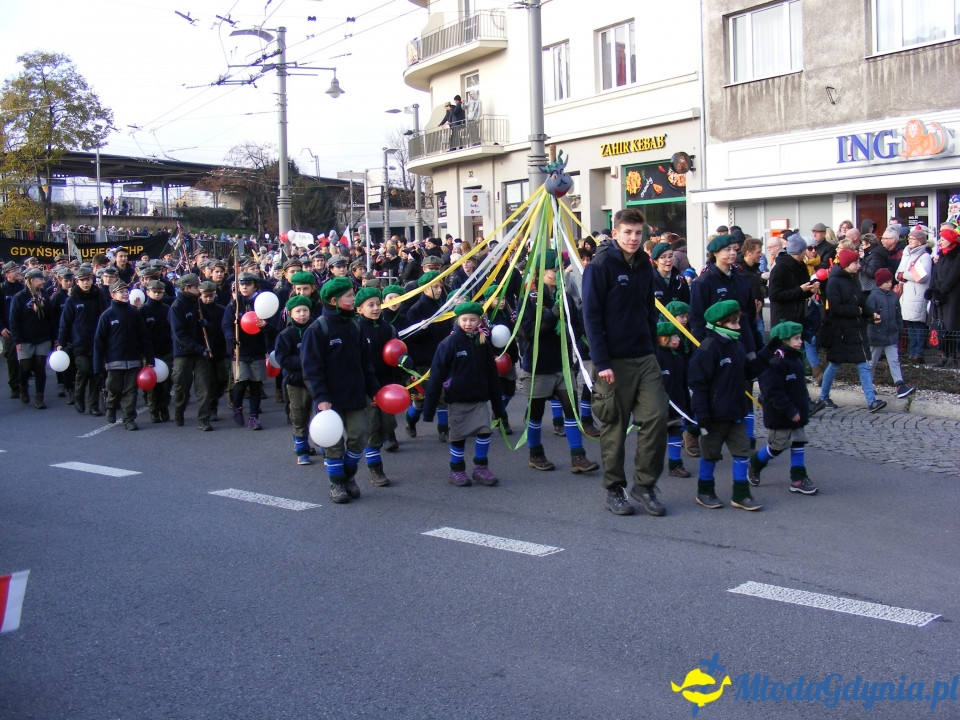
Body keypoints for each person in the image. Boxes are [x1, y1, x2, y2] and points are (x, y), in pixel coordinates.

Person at [581, 207, 668, 517]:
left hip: (644, 356)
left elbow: (649, 309)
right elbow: (590, 316)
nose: (633, 238)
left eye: (637, 233)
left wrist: (652, 347)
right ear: (615, 233)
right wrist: (601, 361)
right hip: (612, 361)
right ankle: (614, 489)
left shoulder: (645, 265)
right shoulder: (601, 265)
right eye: (627, 232)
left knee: (657, 417)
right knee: (615, 427)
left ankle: (644, 486)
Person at [688, 299, 776, 511]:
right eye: (734, 324)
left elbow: (749, 371)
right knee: (710, 455)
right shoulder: (707, 349)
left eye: (738, 322)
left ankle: (741, 493)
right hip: (713, 417)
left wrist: (769, 349)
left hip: (736, 412)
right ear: (719, 323)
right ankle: (705, 491)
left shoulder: (737, 346)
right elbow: (697, 385)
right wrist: (702, 415)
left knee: (742, 454)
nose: (738, 327)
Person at [519, 250, 600, 476]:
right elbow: (527, 331)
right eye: (553, 270)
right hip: (538, 364)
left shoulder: (564, 294)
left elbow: (575, 324)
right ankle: (535, 453)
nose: (558, 273)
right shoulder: (530, 296)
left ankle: (578, 456)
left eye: (559, 269)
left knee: (570, 410)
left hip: (562, 362)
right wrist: (552, 314)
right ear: (540, 272)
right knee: (535, 413)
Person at [301, 277, 380, 504]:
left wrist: (374, 389)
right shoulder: (318, 329)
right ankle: (337, 483)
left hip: (354, 394)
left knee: (360, 435)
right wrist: (321, 398)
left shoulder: (355, 325)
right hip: (330, 399)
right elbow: (312, 368)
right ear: (334, 300)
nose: (353, 299)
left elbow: (366, 363)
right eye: (349, 296)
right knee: (333, 443)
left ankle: (347, 475)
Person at [422, 301, 505, 487]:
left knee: (484, 433)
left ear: (479, 321)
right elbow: (436, 376)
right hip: (458, 400)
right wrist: (429, 410)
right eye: (464, 319)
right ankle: (457, 470)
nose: (468, 323)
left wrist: (499, 408)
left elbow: (492, 375)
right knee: (458, 437)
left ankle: (480, 468)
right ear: (457, 319)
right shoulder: (449, 343)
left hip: (479, 399)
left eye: (473, 319)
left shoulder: (482, 343)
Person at [746, 321, 818, 495]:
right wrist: (789, 410)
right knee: (777, 446)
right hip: (780, 413)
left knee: (799, 440)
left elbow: (798, 388)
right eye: (796, 338)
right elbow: (773, 392)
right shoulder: (774, 362)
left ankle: (798, 478)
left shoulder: (795, 358)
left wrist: (802, 407)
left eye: (800, 338)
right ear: (783, 340)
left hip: (797, 411)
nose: (800, 342)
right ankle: (755, 463)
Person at [812, 249, 886, 414]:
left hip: (855, 329)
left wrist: (870, 313)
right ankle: (823, 395)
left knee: (862, 365)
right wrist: (858, 311)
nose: (859, 266)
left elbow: (860, 302)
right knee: (834, 364)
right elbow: (836, 308)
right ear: (846, 265)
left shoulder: (854, 280)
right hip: (841, 331)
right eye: (855, 263)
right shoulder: (834, 282)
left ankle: (872, 401)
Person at [93, 280, 154, 430]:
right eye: (121, 291)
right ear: (113, 295)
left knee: (131, 391)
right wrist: (98, 364)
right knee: (114, 389)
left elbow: (144, 336)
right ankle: (111, 407)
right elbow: (99, 341)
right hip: (114, 360)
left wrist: (149, 357)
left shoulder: (134, 313)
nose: (125, 294)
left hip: (133, 359)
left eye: (126, 291)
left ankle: (129, 419)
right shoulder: (107, 315)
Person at [355, 287, 398, 486]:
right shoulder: (357, 329)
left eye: (377, 304)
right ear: (359, 309)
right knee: (372, 428)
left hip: (386, 386)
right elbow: (357, 363)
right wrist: (367, 389)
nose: (375, 308)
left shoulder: (387, 328)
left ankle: (378, 445)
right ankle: (376, 469)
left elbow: (396, 353)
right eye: (370, 305)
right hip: (366, 388)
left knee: (388, 424)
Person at [224, 272, 276, 430]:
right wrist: (231, 338)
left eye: (248, 284)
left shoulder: (262, 303)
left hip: (257, 349)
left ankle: (254, 416)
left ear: (255, 286)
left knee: (255, 384)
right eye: (242, 284)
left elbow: (272, 330)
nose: (244, 287)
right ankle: (237, 408)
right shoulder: (234, 305)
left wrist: (265, 326)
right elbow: (226, 325)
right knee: (240, 383)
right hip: (240, 350)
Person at [768, 233, 822, 381]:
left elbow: (802, 290)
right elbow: (774, 295)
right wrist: (800, 290)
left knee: (798, 350)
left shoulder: (801, 266)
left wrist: (810, 289)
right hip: (783, 319)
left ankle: (798, 379)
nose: (808, 252)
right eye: (806, 249)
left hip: (798, 316)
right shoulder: (780, 268)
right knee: (782, 353)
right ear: (800, 251)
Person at [57, 264, 107, 416]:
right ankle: (78, 396)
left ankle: (93, 405)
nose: (86, 283)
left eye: (88, 280)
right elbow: (65, 323)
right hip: (79, 342)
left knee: (96, 373)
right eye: (82, 280)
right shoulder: (72, 300)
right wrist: (61, 342)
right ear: (76, 282)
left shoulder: (98, 296)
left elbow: (105, 317)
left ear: (92, 280)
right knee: (84, 369)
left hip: (96, 342)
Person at [274, 295, 315, 465]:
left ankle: (325, 446)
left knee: (319, 414)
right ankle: (302, 449)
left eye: (305, 310)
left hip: (315, 380)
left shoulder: (315, 331)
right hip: (295, 382)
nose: (302, 314)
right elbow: (283, 359)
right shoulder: (285, 335)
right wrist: (304, 360)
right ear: (291, 313)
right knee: (298, 415)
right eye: (298, 311)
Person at [170, 274, 213, 429]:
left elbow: (211, 323)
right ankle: (179, 412)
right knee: (182, 387)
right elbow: (179, 335)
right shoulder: (176, 307)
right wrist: (199, 348)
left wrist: (205, 323)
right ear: (187, 288)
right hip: (184, 353)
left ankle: (203, 419)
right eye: (196, 287)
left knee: (203, 387)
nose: (198, 289)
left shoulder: (199, 304)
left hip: (200, 353)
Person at [8, 268, 56, 408]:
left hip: (42, 337)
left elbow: (50, 318)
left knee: (40, 366)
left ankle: (39, 397)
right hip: (25, 338)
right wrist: (16, 340)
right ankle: (23, 386)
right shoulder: (19, 297)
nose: (42, 281)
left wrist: (54, 337)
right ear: (31, 281)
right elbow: (14, 320)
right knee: (25, 367)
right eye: (39, 279)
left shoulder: (44, 295)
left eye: (42, 279)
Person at [866, 268, 916, 399]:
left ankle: (900, 385)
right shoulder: (873, 296)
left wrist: (899, 329)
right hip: (876, 336)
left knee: (894, 361)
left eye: (891, 281)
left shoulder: (893, 296)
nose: (890, 284)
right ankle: (868, 386)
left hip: (891, 335)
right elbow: (868, 316)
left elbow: (898, 315)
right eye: (887, 282)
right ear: (879, 282)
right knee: (871, 363)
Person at [654, 322, 692, 478]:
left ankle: (675, 464)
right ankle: (646, 462)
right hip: (659, 408)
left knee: (676, 434)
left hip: (677, 406)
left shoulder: (678, 358)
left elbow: (683, 383)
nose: (679, 339)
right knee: (654, 437)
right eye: (675, 336)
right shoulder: (656, 358)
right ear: (663, 339)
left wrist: (686, 406)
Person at [897, 226, 933, 363]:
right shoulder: (906, 254)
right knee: (910, 327)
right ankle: (912, 352)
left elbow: (922, 276)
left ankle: (918, 353)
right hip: (906, 295)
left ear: (920, 241)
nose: (909, 240)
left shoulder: (925, 257)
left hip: (917, 295)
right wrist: (903, 275)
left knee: (918, 326)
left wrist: (904, 275)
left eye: (913, 238)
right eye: (909, 238)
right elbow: (897, 274)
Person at [140, 279, 173, 423]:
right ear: (148, 292)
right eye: (154, 292)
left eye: (160, 292)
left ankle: (164, 406)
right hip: (150, 353)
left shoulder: (167, 309)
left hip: (166, 351)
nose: (157, 295)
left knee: (167, 382)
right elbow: (140, 334)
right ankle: (154, 411)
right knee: (152, 384)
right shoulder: (143, 311)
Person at [926, 225, 960, 365]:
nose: (940, 241)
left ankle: (952, 356)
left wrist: (942, 291)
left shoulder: (956, 256)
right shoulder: (941, 255)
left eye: (943, 239)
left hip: (951, 297)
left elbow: (952, 277)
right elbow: (935, 274)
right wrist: (933, 289)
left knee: (951, 327)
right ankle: (944, 355)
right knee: (940, 327)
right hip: (939, 297)